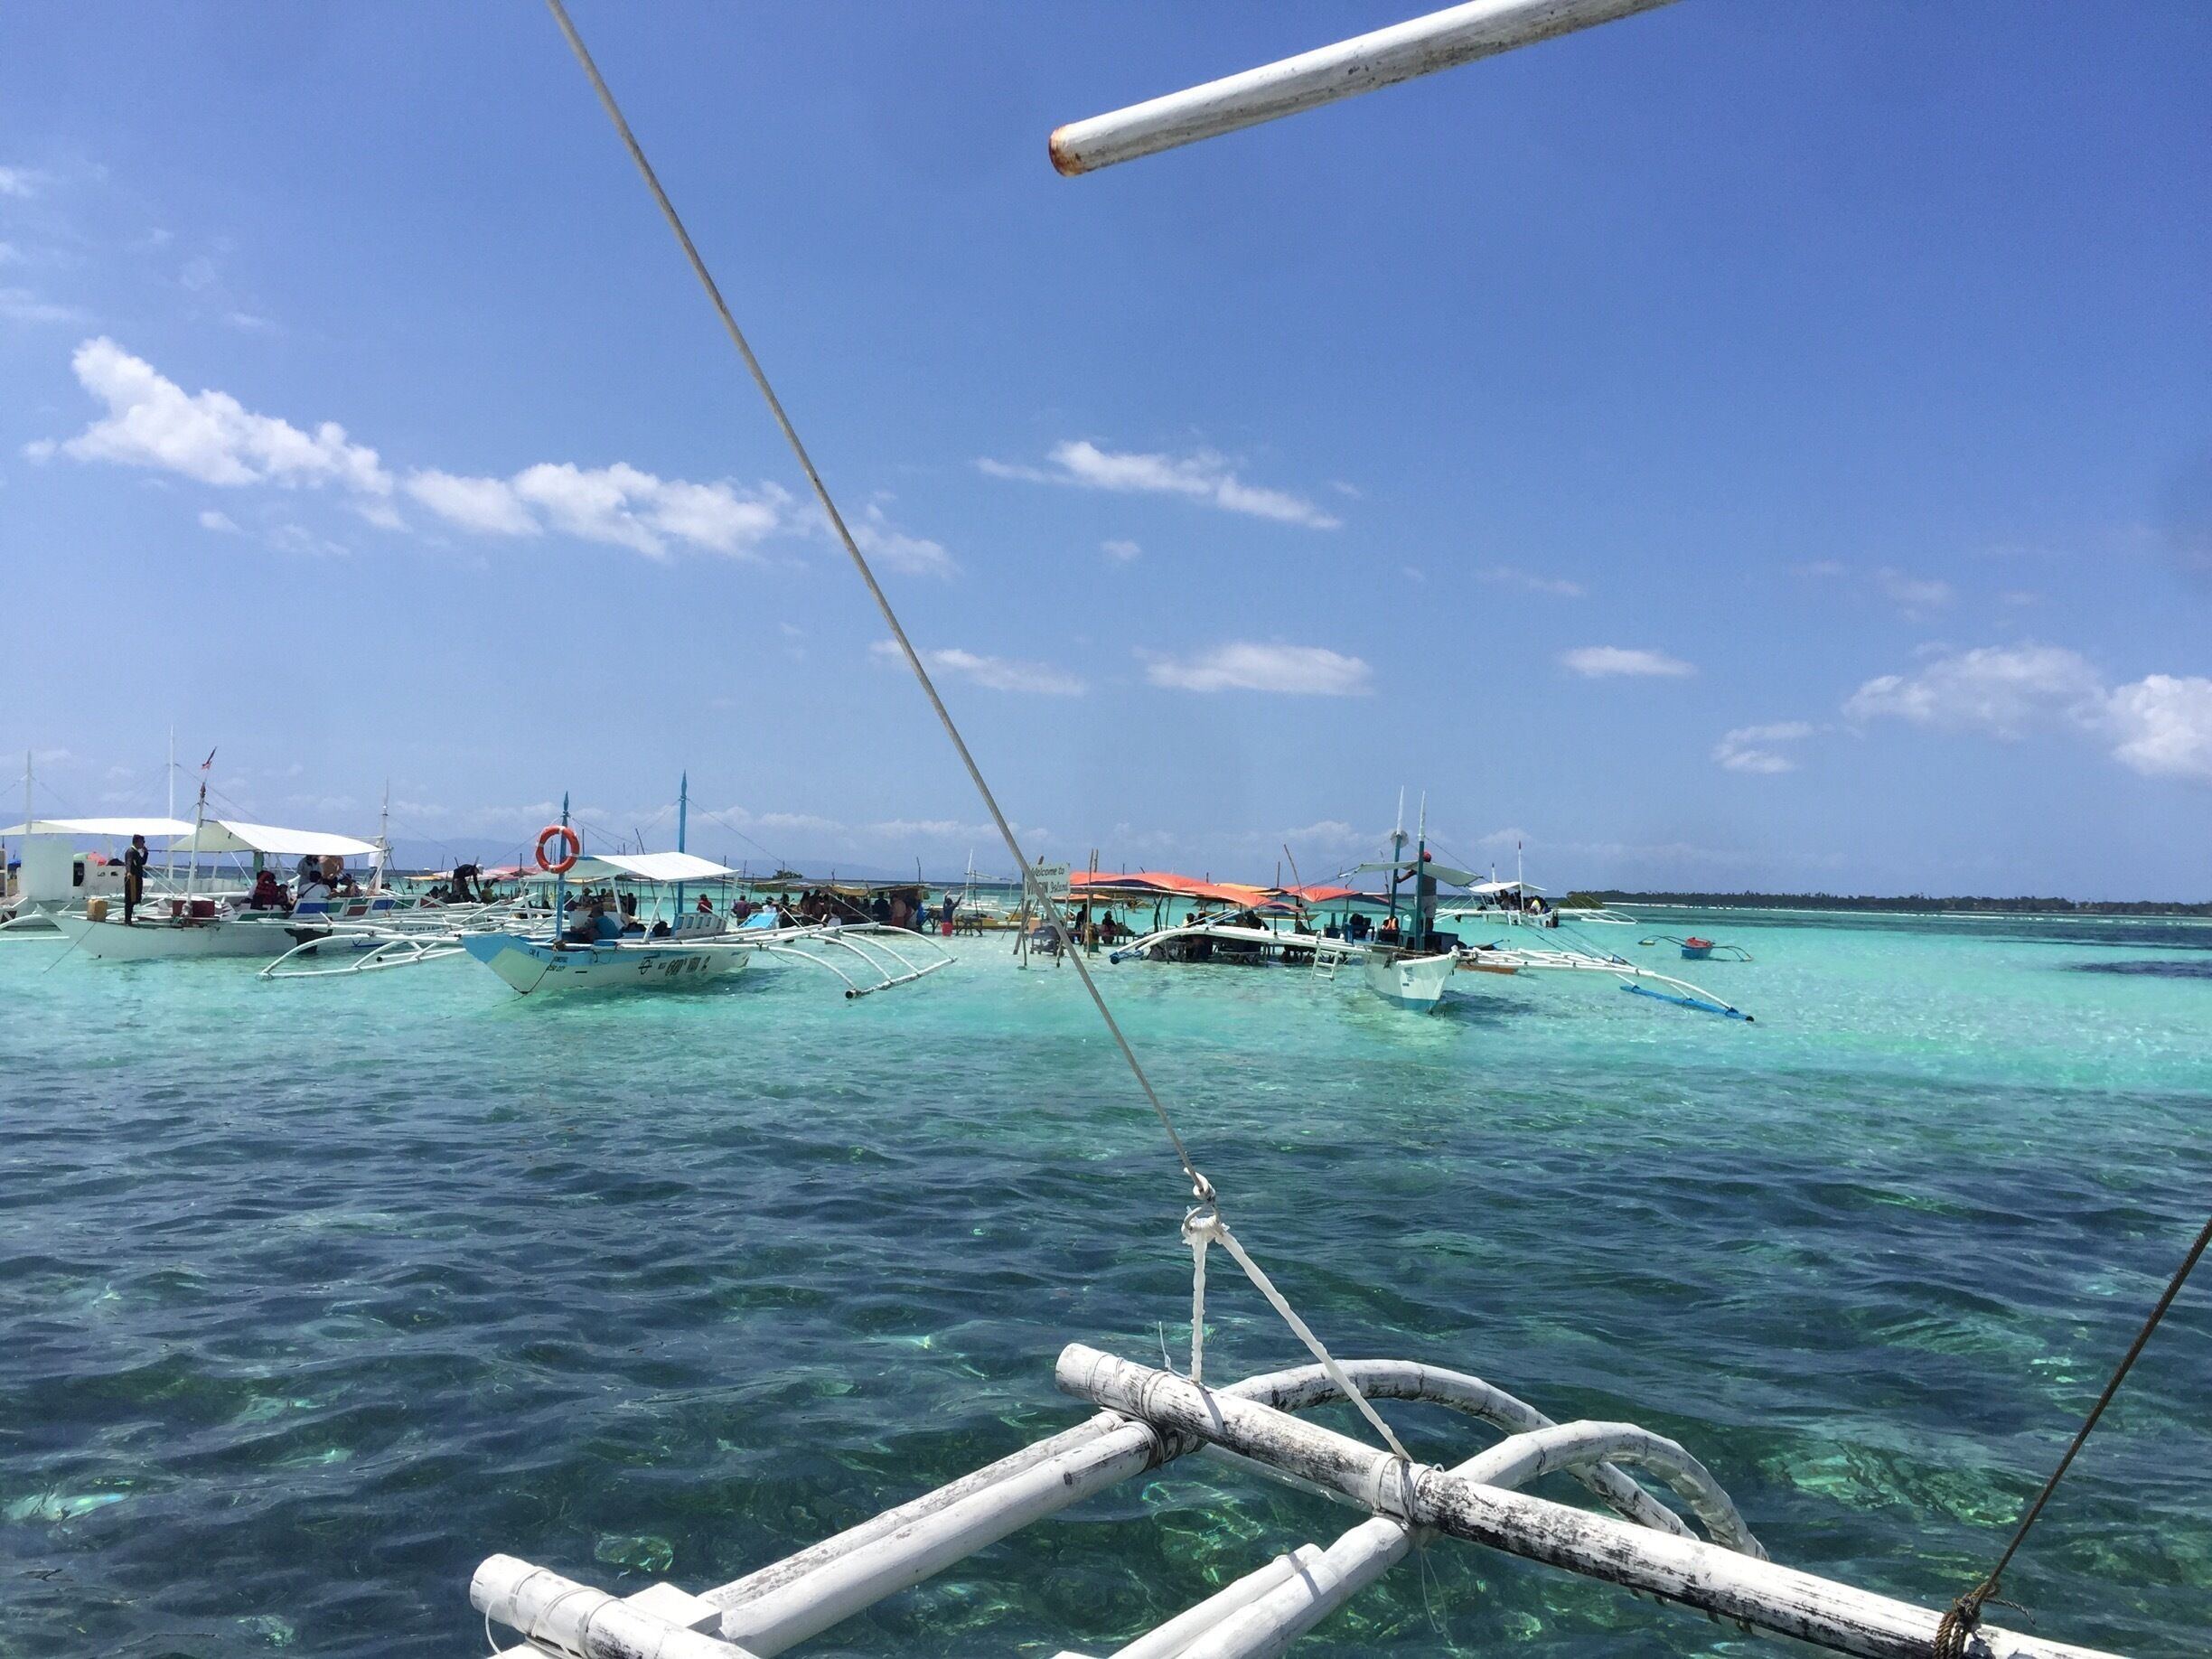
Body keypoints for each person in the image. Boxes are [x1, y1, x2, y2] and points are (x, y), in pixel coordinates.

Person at [122, 833, 149, 925]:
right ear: (137, 842)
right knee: (129, 899)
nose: (143, 843)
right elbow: (128, 862)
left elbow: (142, 862)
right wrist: (128, 872)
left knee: (135, 898)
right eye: (142, 842)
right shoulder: (131, 851)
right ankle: (127, 919)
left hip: (137, 878)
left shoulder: (136, 852)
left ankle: (128, 919)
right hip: (132, 878)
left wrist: (146, 853)